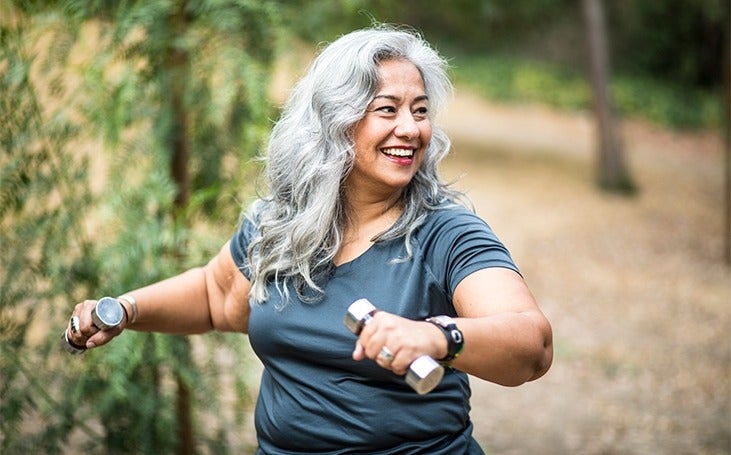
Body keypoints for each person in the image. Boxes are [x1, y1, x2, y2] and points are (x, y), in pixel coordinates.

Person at [64, 25, 553, 454]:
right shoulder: (279, 225)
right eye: (388, 109)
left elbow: (532, 345)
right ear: (335, 122)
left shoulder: (446, 234)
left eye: (420, 110)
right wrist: (126, 309)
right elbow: (217, 297)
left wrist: (438, 335)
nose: (410, 128)